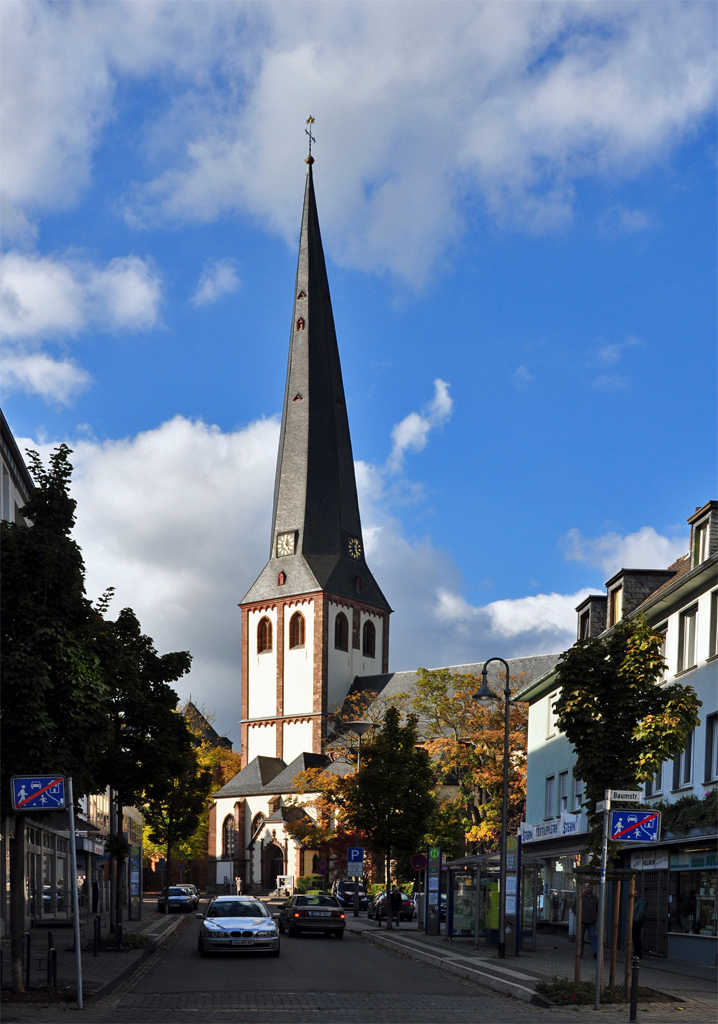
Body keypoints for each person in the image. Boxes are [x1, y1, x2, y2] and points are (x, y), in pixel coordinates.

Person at [572, 883, 599, 958]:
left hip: (592, 921)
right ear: (584, 888)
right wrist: (578, 915)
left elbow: (597, 908)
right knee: (580, 937)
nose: (588, 889)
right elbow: (574, 907)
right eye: (587, 887)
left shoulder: (595, 898)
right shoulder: (580, 897)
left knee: (593, 936)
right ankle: (580, 952)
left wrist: (595, 916)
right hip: (582, 920)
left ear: (592, 889)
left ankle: (596, 952)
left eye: (589, 888)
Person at [632, 893, 645, 959]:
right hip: (636, 920)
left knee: (636, 937)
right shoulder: (636, 901)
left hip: (638, 921)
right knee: (635, 937)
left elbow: (641, 912)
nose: (635, 895)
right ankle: (636, 953)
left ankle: (638, 954)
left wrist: (636, 919)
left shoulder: (640, 901)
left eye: (636, 893)